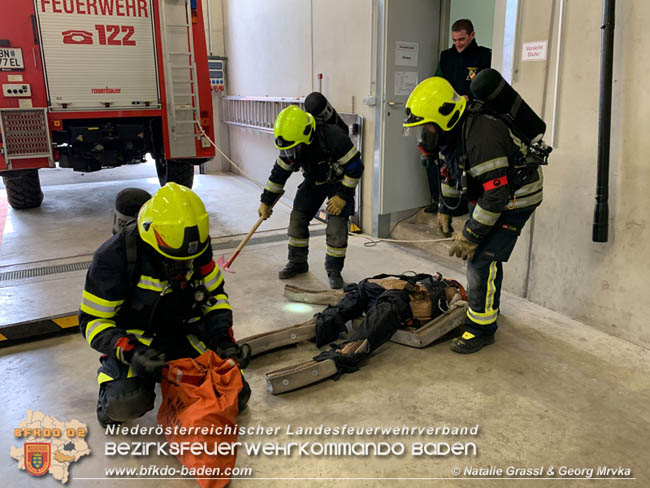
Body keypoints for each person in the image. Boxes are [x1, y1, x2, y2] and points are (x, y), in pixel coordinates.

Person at [80, 183, 250, 426]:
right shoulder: (113, 257)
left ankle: (178, 384)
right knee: (125, 404)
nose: (183, 267)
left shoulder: (197, 245)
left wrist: (224, 340)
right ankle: (109, 399)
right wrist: (132, 352)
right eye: (173, 261)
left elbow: (214, 296)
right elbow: (92, 321)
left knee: (238, 396)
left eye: (188, 260)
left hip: (184, 330)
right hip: (136, 340)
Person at [403, 77, 543, 353]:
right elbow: (450, 173)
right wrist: (445, 209)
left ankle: (481, 329)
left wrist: (470, 235)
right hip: (492, 195)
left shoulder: (481, 138)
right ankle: (488, 308)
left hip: (516, 199)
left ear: (444, 118)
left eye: (425, 128)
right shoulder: (451, 133)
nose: (423, 136)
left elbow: (496, 197)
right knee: (485, 256)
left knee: (482, 258)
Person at [258, 105, 363, 289]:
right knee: (297, 218)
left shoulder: (334, 138)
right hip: (314, 180)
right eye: (286, 151)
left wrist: (342, 196)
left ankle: (334, 270)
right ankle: (298, 263)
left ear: (306, 137)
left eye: (292, 150)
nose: (289, 155)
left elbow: (356, 168)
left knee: (337, 227)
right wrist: (266, 201)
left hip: (339, 183)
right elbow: (278, 175)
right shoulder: (291, 144)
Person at [435, 18, 491, 99]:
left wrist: (469, 97)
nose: (457, 44)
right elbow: (437, 81)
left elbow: (487, 87)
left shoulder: (485, 56)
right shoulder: (446, 56)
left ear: (472, 35)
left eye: (461, 39)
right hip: (449, 106)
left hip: (474, 108)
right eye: (454, 40)